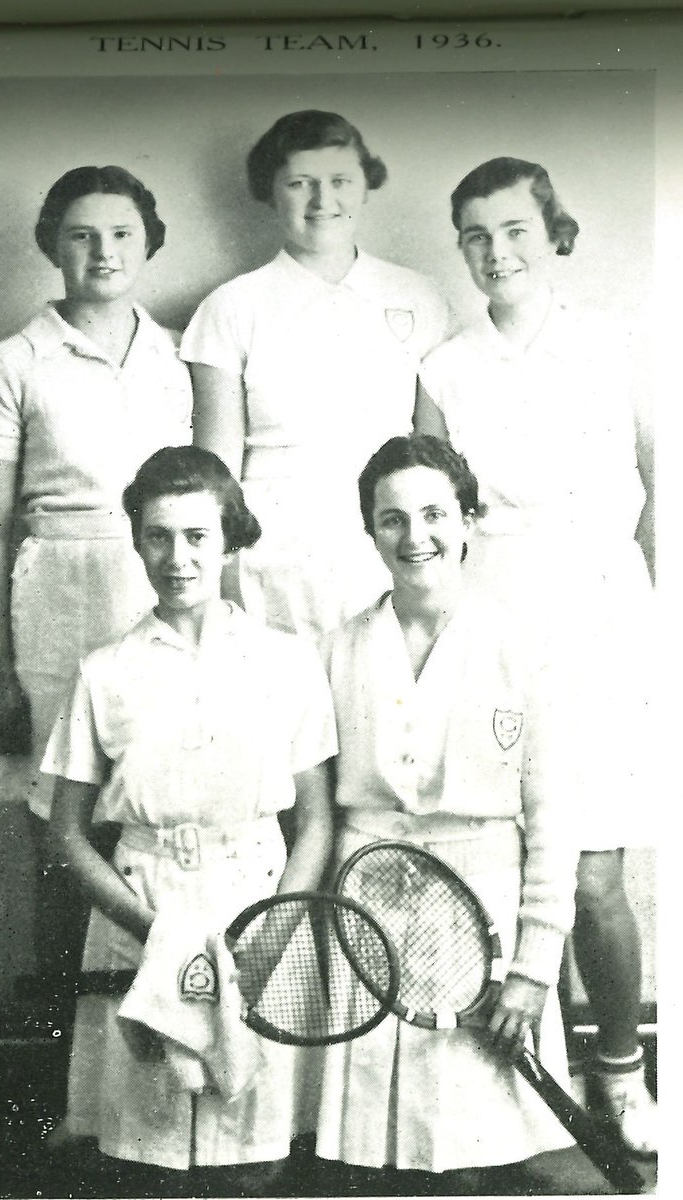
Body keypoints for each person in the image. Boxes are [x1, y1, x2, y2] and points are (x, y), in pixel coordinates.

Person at [416, 157, 656, 1157]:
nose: (494, 251)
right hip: (495, 629)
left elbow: (661, 491)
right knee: (516, 864)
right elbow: (431, 519)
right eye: (474, 235)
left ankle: (620, 1075)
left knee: (594, 875)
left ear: (550, 231)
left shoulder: (616, 345)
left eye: (512, 229)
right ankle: (537, 1074)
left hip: (601, 623)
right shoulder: (442, 369)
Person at [43, 445, 336, 1190]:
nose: (177, 558)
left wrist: (270, 930)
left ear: (231, 538)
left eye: (197, 536)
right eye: (158, 537)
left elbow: (317, 823)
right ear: (137, 540)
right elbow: (67, 833)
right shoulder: (104, 671)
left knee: (255, 1160)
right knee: (149, 1158)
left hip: (258, 914)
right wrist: (152, 931)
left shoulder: (287, 662)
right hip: (139, 912)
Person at [315, 434, 581, 1192]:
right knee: (373, 1166)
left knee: (479, 1168)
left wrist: (532, 968)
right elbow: (315, 814)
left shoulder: (523, 647)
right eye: (391, 519)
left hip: (484, 931)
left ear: (469, 521)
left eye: (434, 513)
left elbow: (553, 818)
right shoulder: (334, 651)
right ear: (370, 532)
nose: (415, 536)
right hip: (366, 922)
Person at [0, 165, 193, 977]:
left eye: (122, 233)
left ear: (149, 243)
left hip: (157, 594)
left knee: (154, 825)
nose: (103, 251)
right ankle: (62, 1069)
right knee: (64, 843)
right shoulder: (15, 360)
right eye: (82, 234)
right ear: (53, 245)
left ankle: (135, 1058)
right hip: (56, 606)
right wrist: (0, 677)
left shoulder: (177, 358)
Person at [181, 109, 451, 642]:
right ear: (271, 193)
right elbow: (216, 474)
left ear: (365, 187)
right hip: (274, 566)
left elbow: (434, 451)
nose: (322, 201)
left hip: (392, 549)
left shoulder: (418, 297)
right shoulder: (231, 307)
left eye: (340, 182)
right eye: (300, 183)